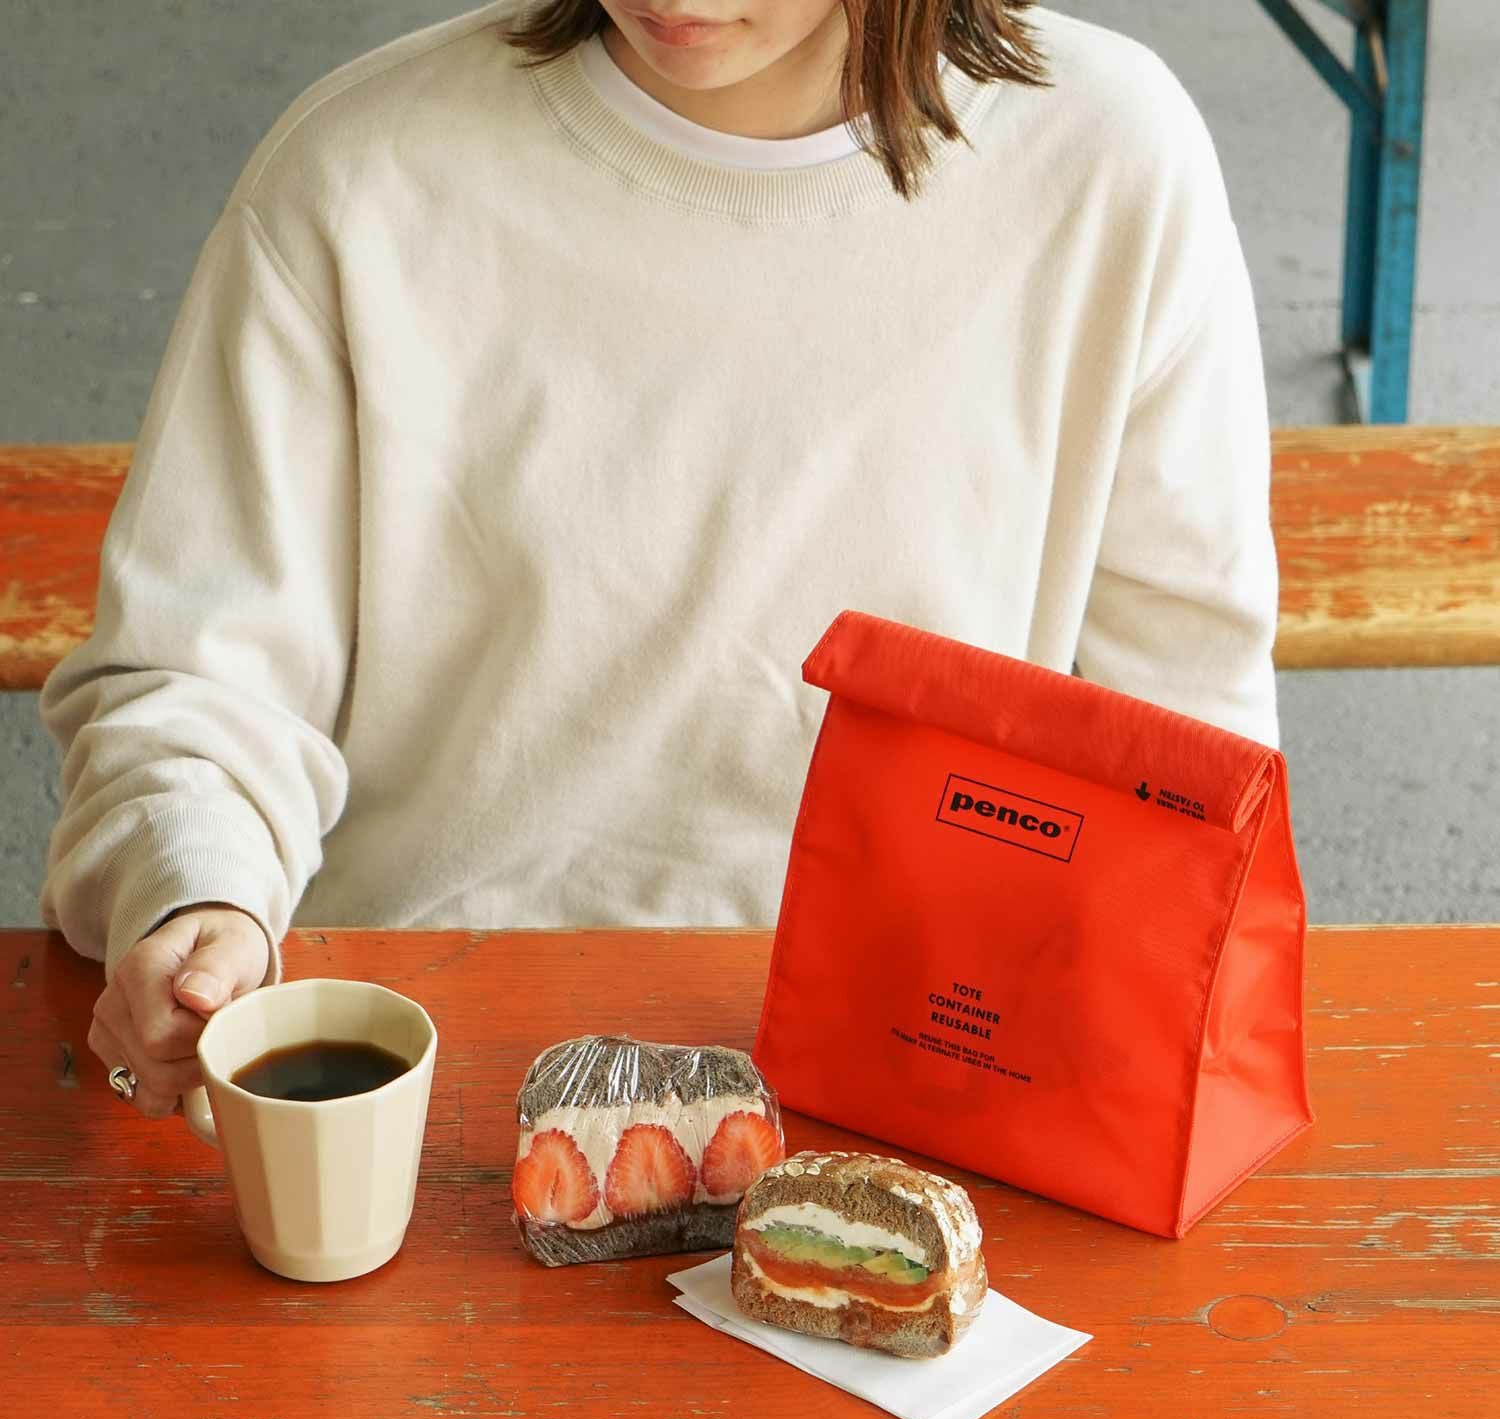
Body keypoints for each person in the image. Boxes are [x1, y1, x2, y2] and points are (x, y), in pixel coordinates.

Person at [42, 0, 1279, 1119]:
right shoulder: (358, 172)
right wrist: (198, 893)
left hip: (919, 1074)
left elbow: (1189, 737)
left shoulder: (1107, 160)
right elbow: (196, 683)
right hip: (425, 1074)